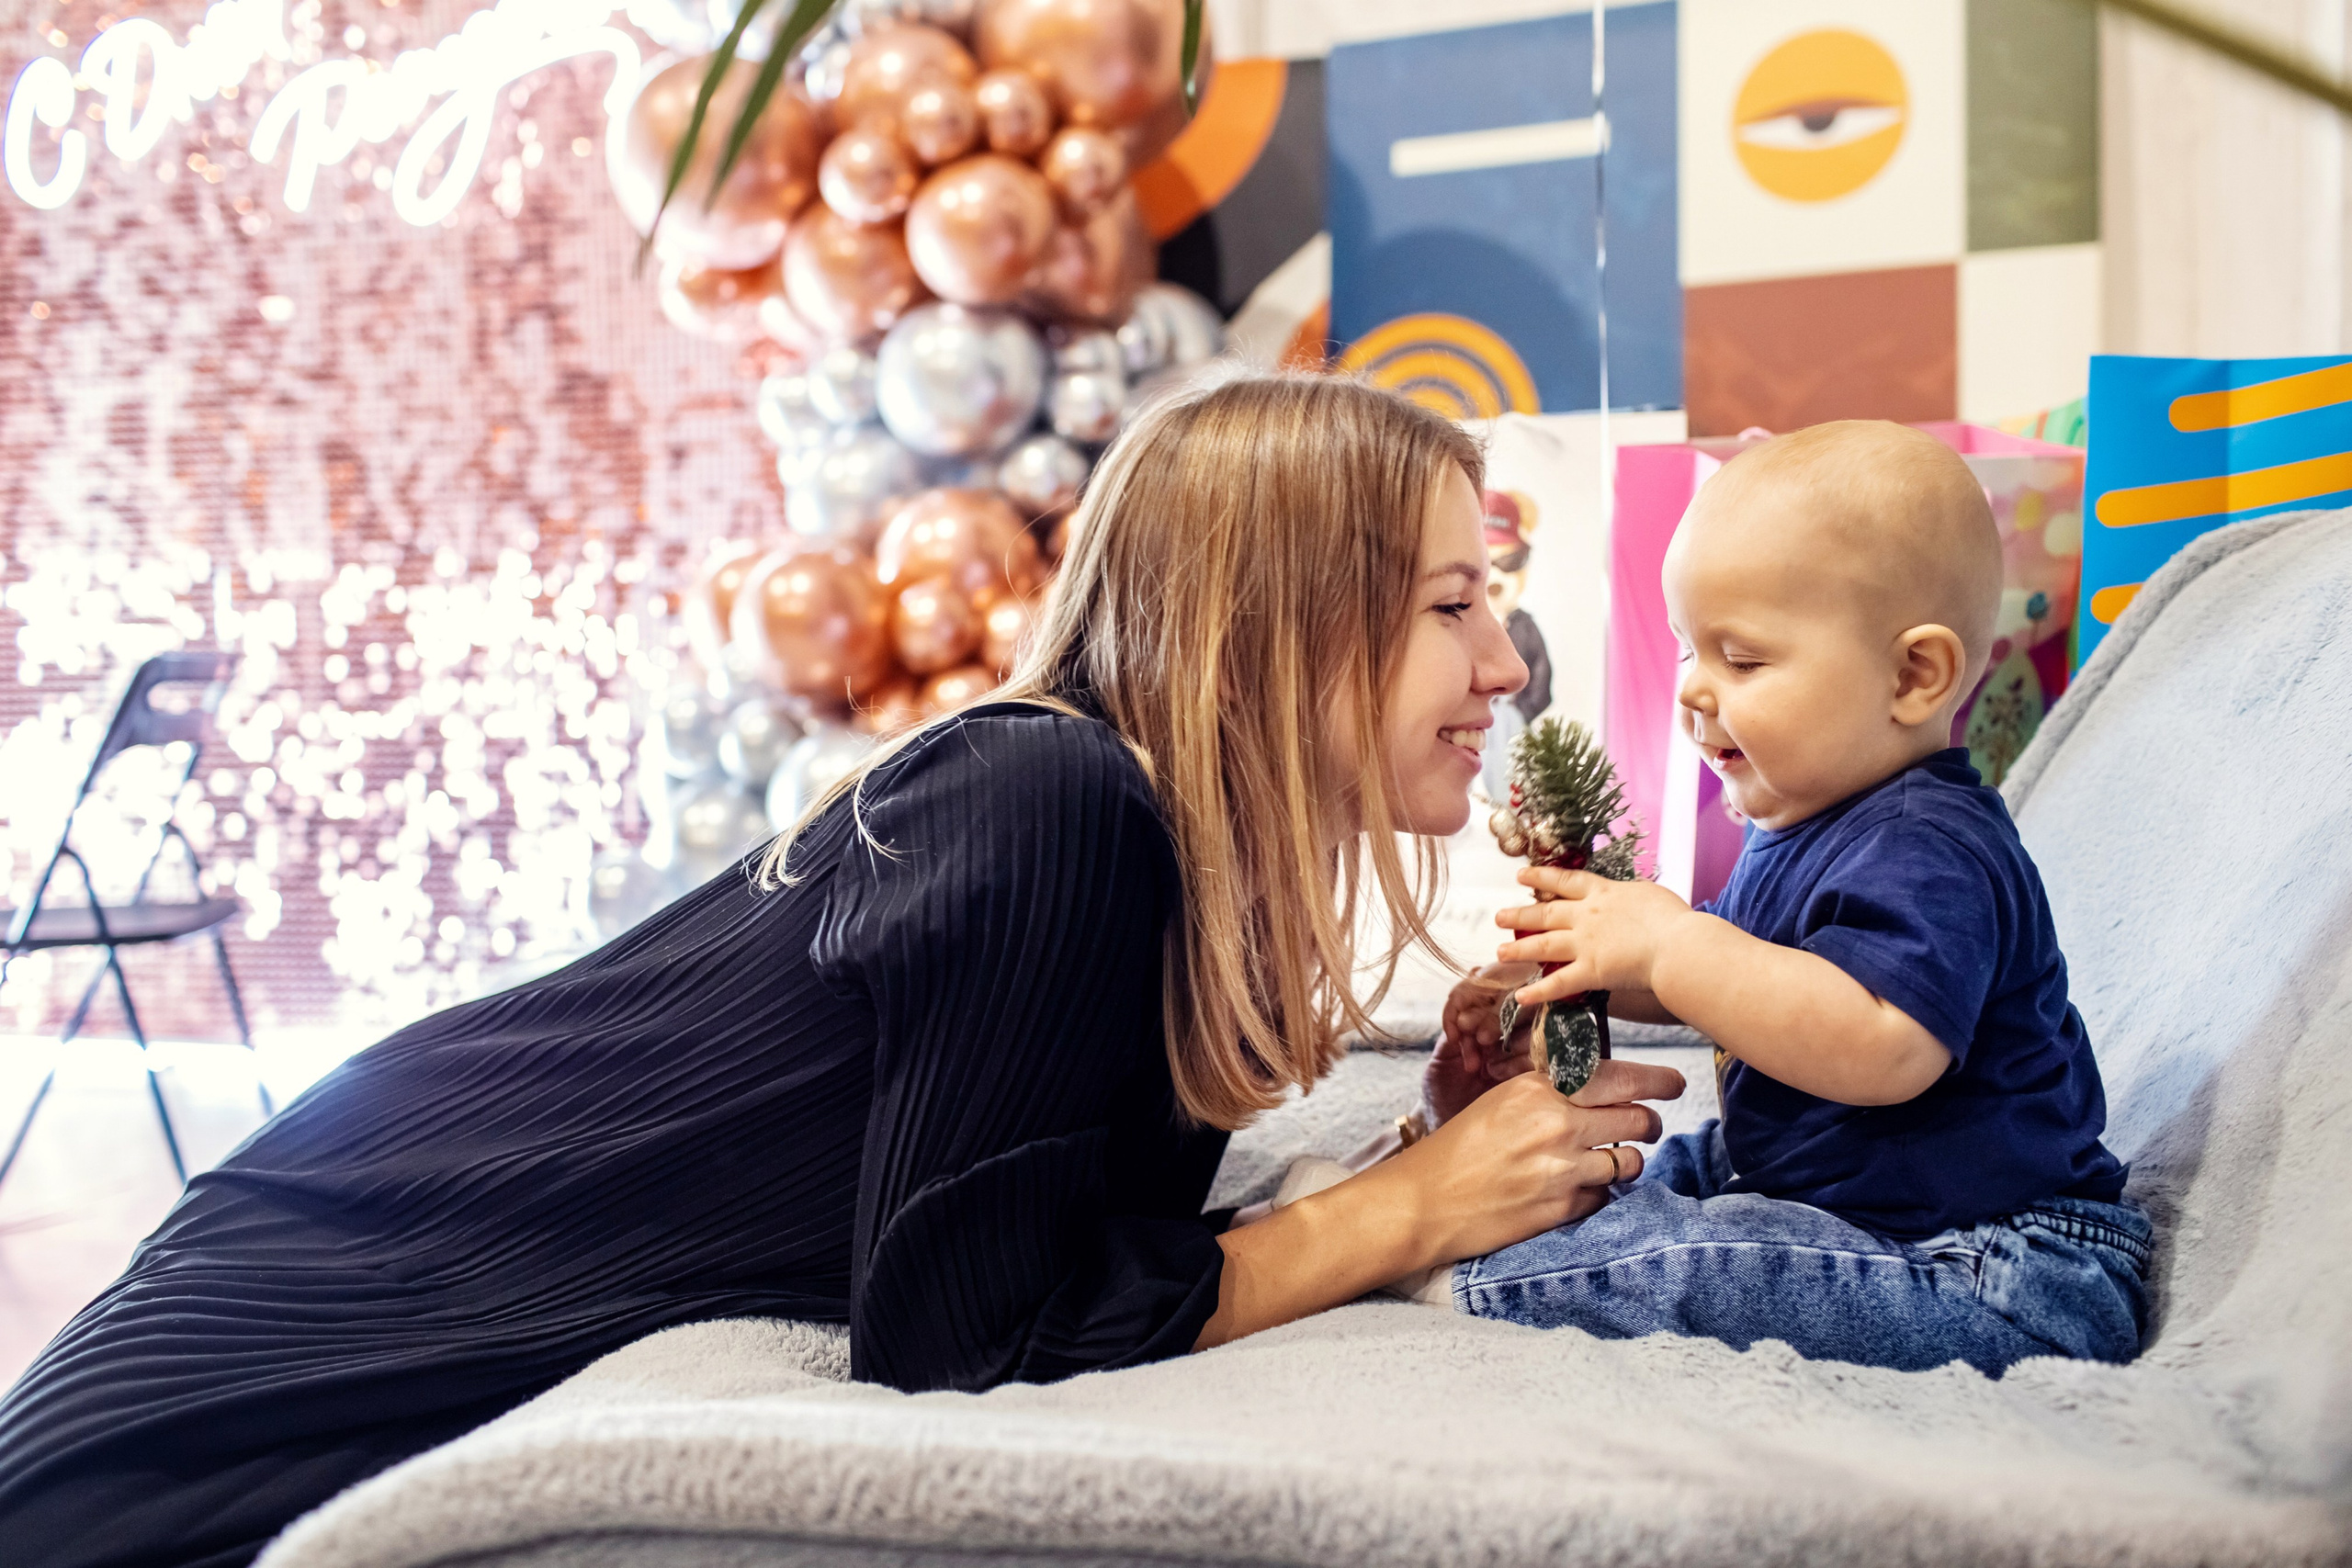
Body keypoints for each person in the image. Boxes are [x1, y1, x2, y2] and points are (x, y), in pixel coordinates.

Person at [0, 371, 1684, 1568]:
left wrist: (1425, 1145)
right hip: (266, 1377)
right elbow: (968, 1332)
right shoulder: (1052, 798)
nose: (1501, 661)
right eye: (1453, 604)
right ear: (1281, 617)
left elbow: (1078, 1237)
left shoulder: (1134, 841)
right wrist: (1412, 1210)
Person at [1431, 421, 2148, 1374]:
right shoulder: (1803, 825)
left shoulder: (1928, 846)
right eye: (1689, 650)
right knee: (1625, 1172)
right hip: (1824, 1194)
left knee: (1702, 1267)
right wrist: (1580, 966)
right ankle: (1456, 1214)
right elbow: (1740, 977)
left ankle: (1469, 1284)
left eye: (1744, 659)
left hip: (1991, 1263)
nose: (1692, 690)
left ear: (1911, 676)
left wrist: (1669, 946)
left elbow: (1884, 1046)